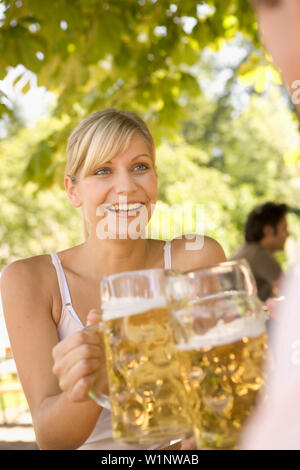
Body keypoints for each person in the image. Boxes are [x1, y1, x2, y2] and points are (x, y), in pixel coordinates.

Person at [0, 109, 226, 450]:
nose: (126, 186)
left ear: (155, 180)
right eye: (103, 170)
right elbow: (51, 438)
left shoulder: (196, 259)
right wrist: (100, 376)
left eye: (140, 167)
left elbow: (226, 398)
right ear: (72, 191)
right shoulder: (31, 280)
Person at [239, 0, 300, 450]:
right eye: (281, 228)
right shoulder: (259, 257)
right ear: (267, 232)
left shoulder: (244, 254)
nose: (286, 235)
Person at [231, 202, 289, 301]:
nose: (288, 234)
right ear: (268, 231)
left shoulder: (247, 250)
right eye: (284, 229)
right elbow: (289, 290)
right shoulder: (259, 255)